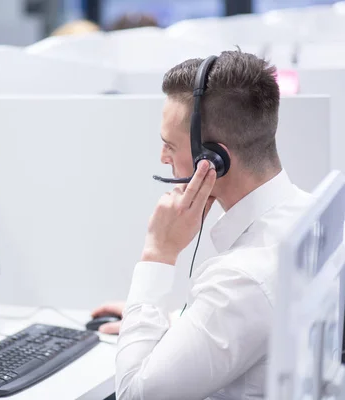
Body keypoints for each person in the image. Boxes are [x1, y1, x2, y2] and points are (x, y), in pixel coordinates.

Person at [94, 50, 312, 399]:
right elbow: (245, 330)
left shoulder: (242, 279)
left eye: (169, 145)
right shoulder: (306, 213)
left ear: (214, 159)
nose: (162, 158)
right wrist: (161, 325)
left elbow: (135, 394)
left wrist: (159, 253)